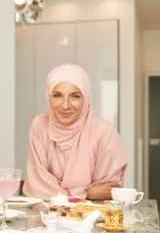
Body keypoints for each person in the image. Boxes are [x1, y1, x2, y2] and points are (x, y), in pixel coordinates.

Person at [23, 63, 127, 200]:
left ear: (86, 98)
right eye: (57, 95)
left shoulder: (104, 132)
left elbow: (106, 190)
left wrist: (63, 195)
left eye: (75, 96)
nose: (65, 106)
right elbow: (39, 185)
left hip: (94, 217)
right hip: (47, 215)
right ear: (48, 97)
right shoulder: (40, 126)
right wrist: (86, 194)